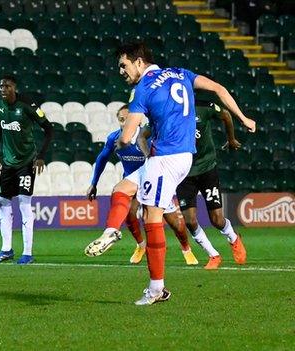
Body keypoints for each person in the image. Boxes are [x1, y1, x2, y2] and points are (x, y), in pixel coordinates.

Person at [84, 42, 256, 306]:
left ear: (139, 62)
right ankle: (111, 230)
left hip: (166, 157)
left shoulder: (142, 89)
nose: (121, 71)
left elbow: (128, 137)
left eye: (123, 65)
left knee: (151, 217)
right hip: (181, 157)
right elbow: (219, 89)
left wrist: (122, 141)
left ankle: (156, 289)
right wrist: (243, 118)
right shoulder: (181, 73)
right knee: (121, 190)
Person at [86, 105, 198, 266]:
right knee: (130, 213)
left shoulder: (147, 137)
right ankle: (140, 246)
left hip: (154, 180)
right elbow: (102, 159)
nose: (125, 123)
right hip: (133, 181)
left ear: (137, 120)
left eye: (128, 119)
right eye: (121, 119)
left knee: (175, 223)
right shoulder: (114, 138)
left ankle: (186, 248)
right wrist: (93, 183)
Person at [0, 75, 54, 265]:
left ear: (14, 87)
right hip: (8, 163)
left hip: (26, 162)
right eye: (0, 86)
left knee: (25, 204)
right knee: (3, 203)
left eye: (7, 86)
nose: (3, 89)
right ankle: (6, 250)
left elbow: (48, 129)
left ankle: (27, 252)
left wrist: (40, 156)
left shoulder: (27, 105)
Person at [175, 100, 247, 269]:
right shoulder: (167, 112)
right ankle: (213, 255)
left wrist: (231, 139)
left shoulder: (204, 107)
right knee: (190, 221)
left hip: (207, 169)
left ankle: (234, 239)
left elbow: (226, 115)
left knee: (216, 219)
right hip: (183, 173)